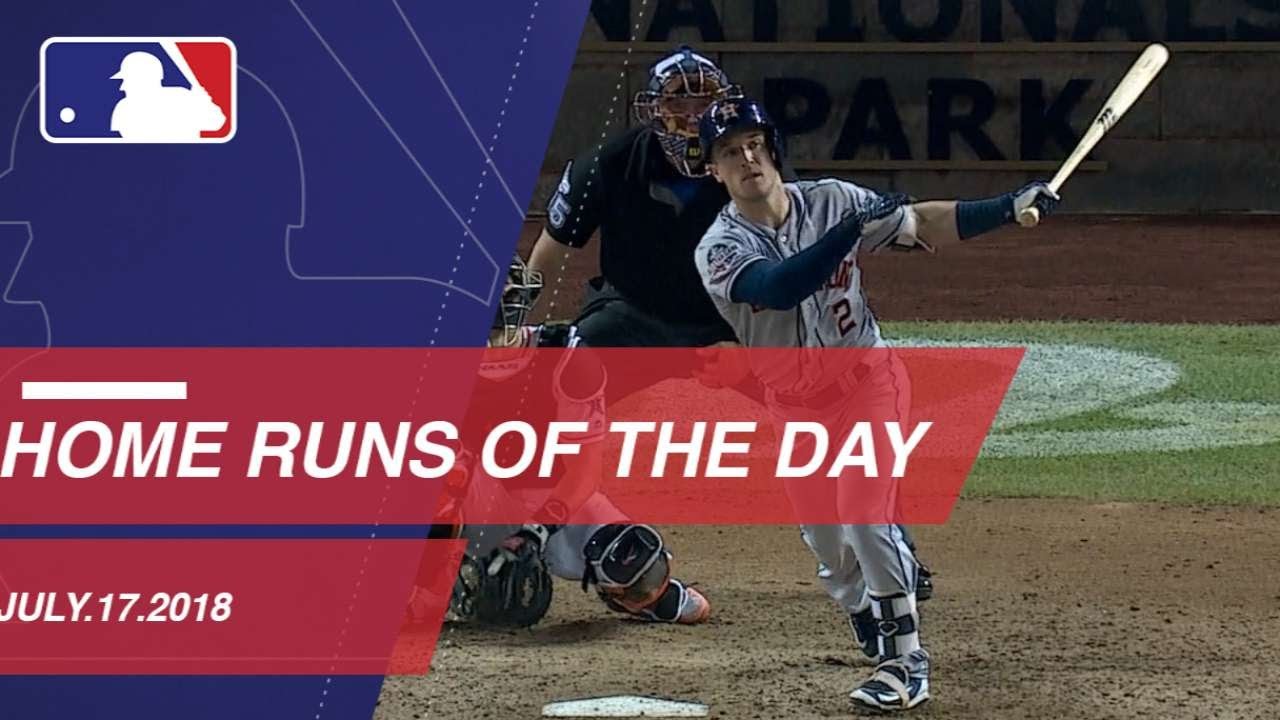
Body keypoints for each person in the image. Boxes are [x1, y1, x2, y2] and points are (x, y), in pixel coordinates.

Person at [693, 97, 1059, 713]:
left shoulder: (832, 198)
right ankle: (869, 602)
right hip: (794, 408)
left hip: (868, 382)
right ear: (714, 170)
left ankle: (905, 661)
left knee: (865, 515)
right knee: (832, 551)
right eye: (731, 151)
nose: (748, 158)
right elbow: (779, 287)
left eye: (755, 144)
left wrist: (1007, 205)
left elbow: (922, 223)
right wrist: (847, 234)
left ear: (773, 149)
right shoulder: (718, 247)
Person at [408, 257, 712, 629]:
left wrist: (537, 528)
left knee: (637, 567)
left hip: (546, 494)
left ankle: (649, 598)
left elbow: (584, 470)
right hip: (471, 493)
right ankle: (426, 591)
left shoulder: (565, 356)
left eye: (505, 292)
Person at [109, 51, 226, 141]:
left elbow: (216, 123)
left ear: (145, 79)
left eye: (128, 80)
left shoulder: (182, 97)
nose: (122, 87)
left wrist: (203, 103)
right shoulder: (124, 107)